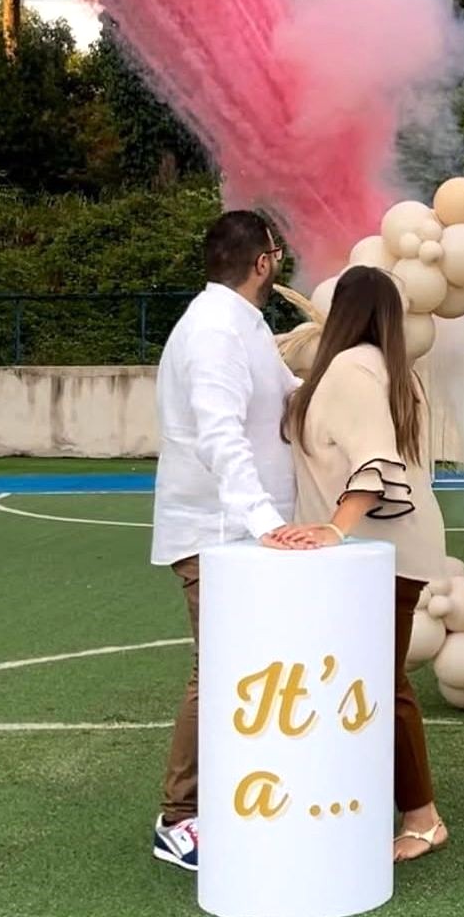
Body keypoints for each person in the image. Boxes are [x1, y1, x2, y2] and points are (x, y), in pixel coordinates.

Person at [273, 264, 450, 863]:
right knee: (370, 680)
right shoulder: (390, 371)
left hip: (373, 556)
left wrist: (335, 527)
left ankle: (423, 817)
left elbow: (375, 462)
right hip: (387, 554)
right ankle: (363, 800)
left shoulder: (352, 369)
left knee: (380, 682)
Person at [150, 210, 299, 872]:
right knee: (217, 671)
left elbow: (288, 396)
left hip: (247, 534)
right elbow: (219, 435)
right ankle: (178, 818)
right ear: (263, 262)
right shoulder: (214, 329)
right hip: (218, 533)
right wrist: (265, 521)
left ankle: (240, 797)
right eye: (276, 252)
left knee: (251, 671)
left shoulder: (248, 325)